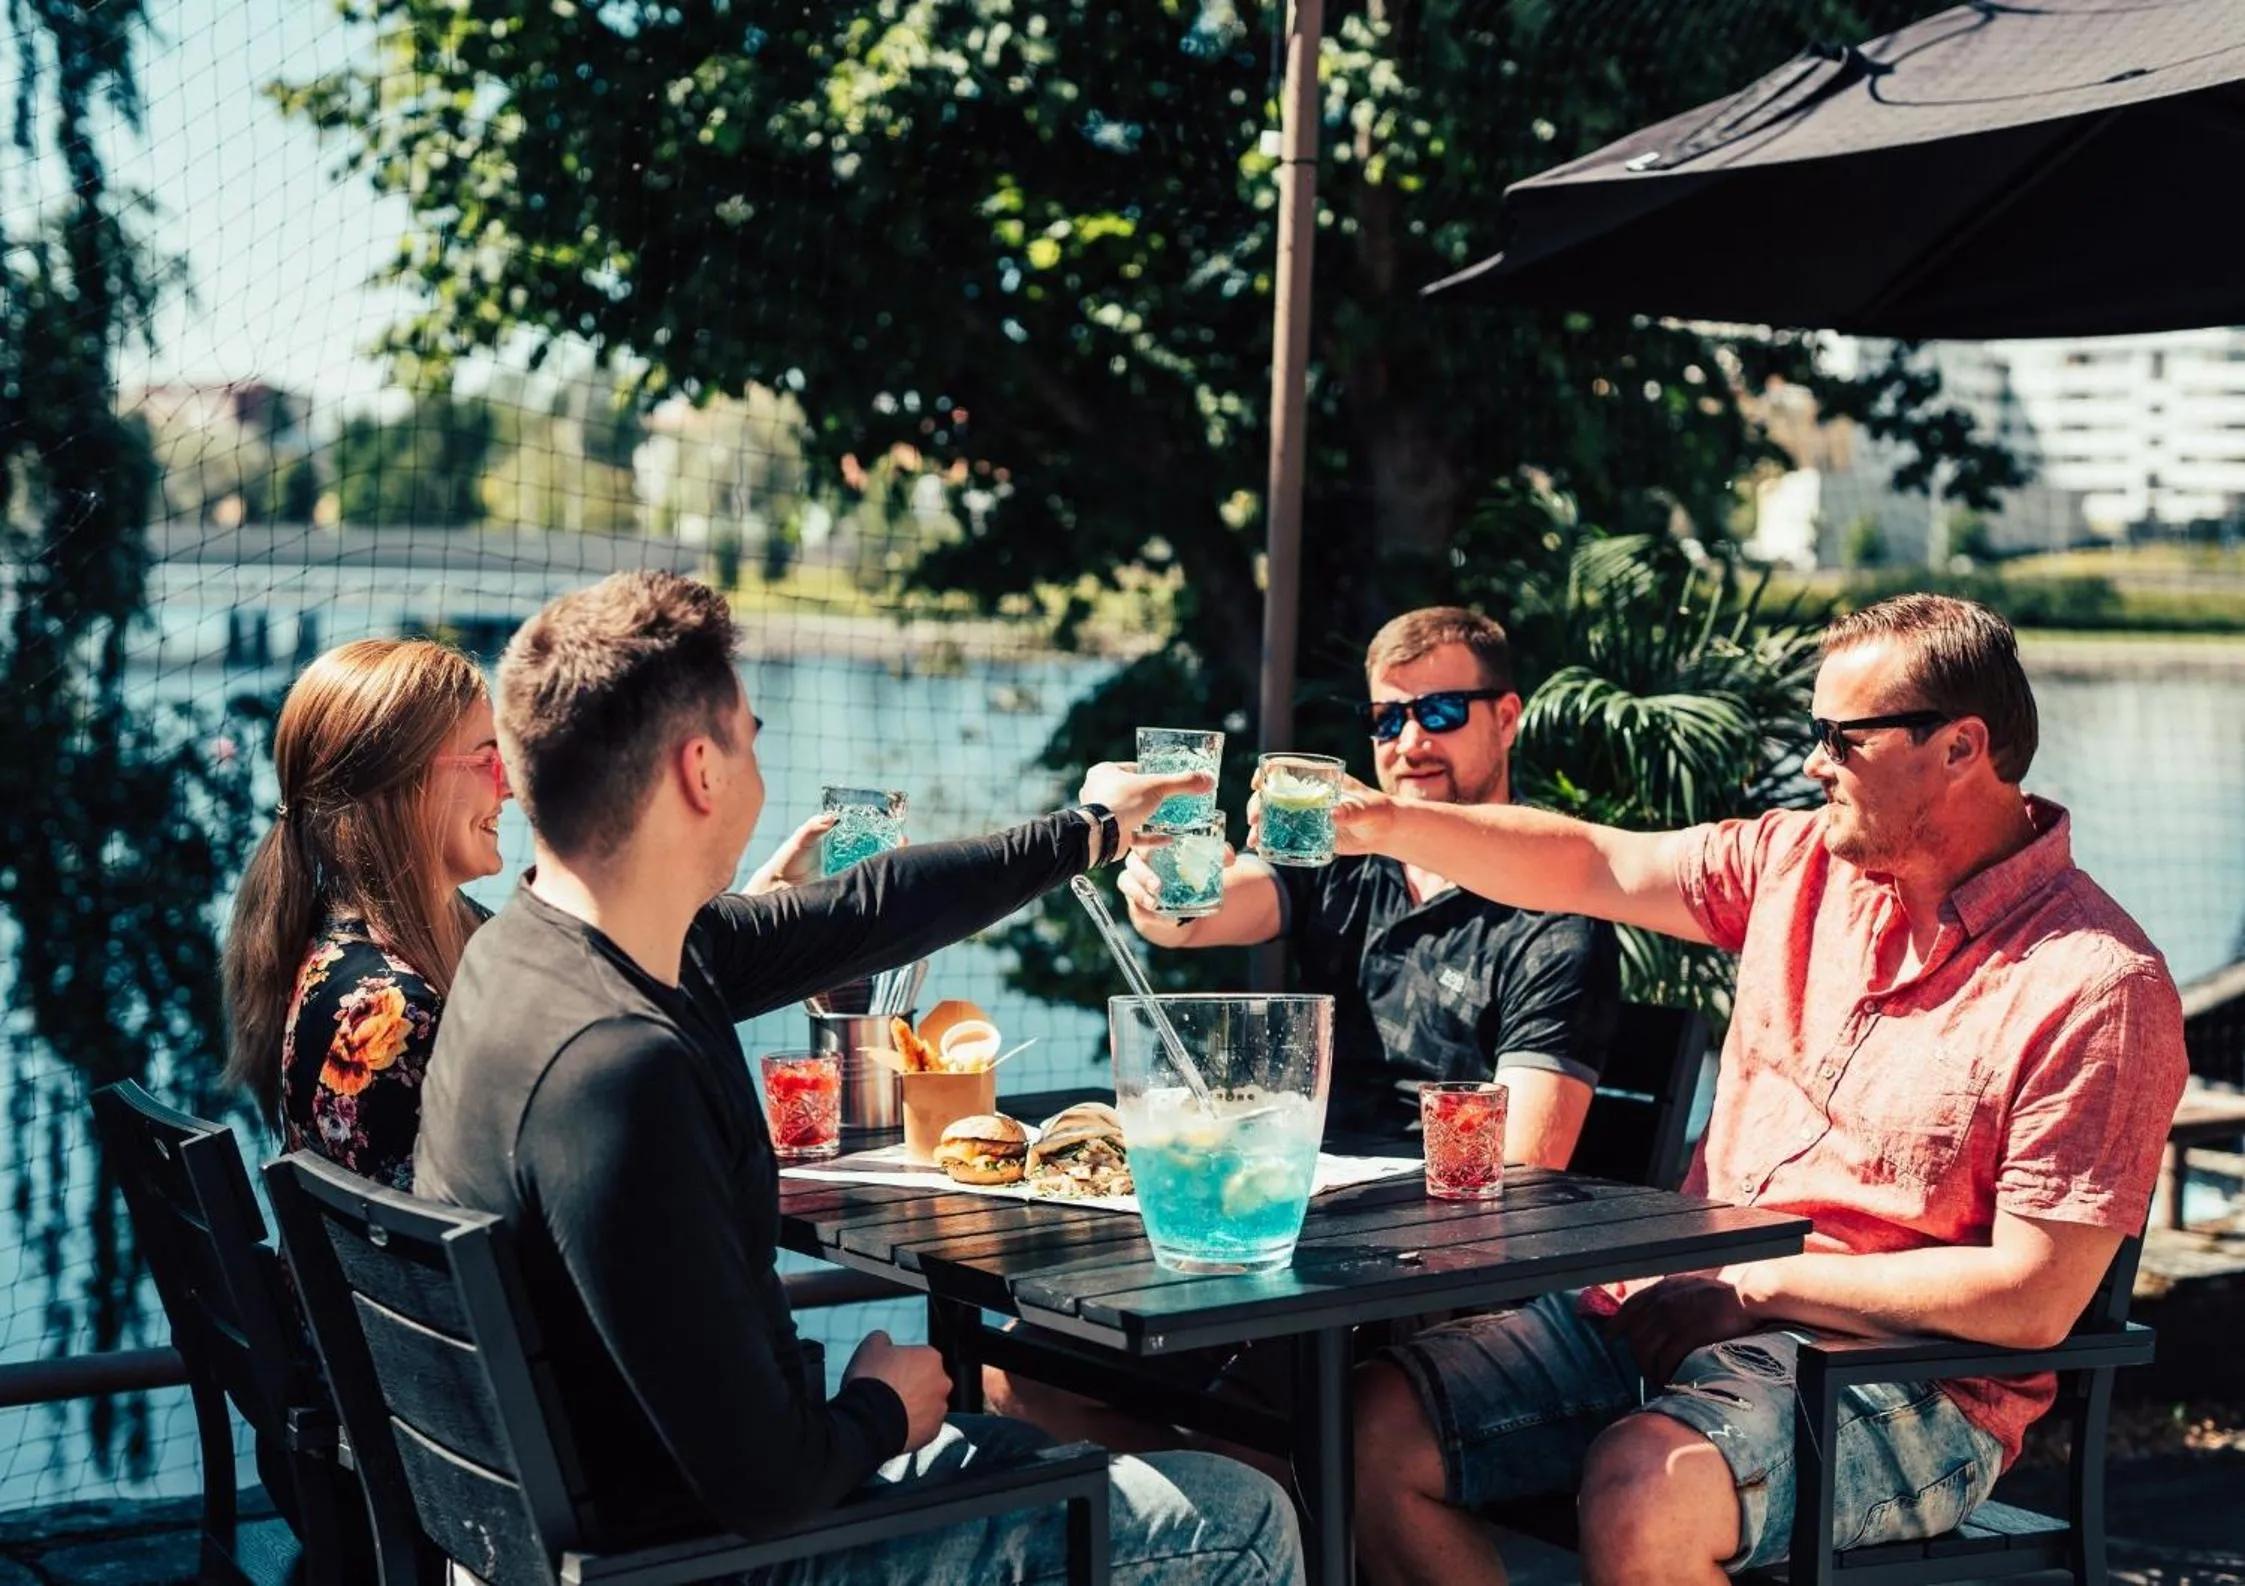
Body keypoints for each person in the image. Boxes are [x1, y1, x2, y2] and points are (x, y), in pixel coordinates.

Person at [413, 571, 1305, 1585]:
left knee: (1052, 1455)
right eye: (752, 734)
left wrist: (1090, 828)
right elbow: (770, 1483)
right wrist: (884, 1402)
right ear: (701, 768)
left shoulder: (528, 952)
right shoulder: (618, 1072)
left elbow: (863, 909)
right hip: (713, 1561)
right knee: (1231, 1513)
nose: (760, 763)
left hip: (582, 1534)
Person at [1292, 593, 2188, 1585]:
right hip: (1677, 1304)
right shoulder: (1793, 865)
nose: (1812, 764)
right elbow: (1592, 857)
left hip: (1910, 1382)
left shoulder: (2094, 984)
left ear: (1960, 745)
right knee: (1365, 1428)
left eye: (1841, 739)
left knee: (1644, 1486)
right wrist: (1381, 822)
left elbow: (2029, 1298)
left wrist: (1756, 1283)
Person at [1123, 607, 1620, 1160]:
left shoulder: (1552, 908)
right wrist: (1162, 889)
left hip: (1437, 1217)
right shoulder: (1344, 858)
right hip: (1303, 1180)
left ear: (1506, 720)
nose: (1409, 742)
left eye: (1441, 712)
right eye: (1387, 717)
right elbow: (1190, 923)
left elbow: (1525, 1164)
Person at [222, 638, 511, 1190]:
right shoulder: (401, 1015)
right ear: (398, 784)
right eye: (485, 759)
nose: (511, 787)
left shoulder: (325, 935)